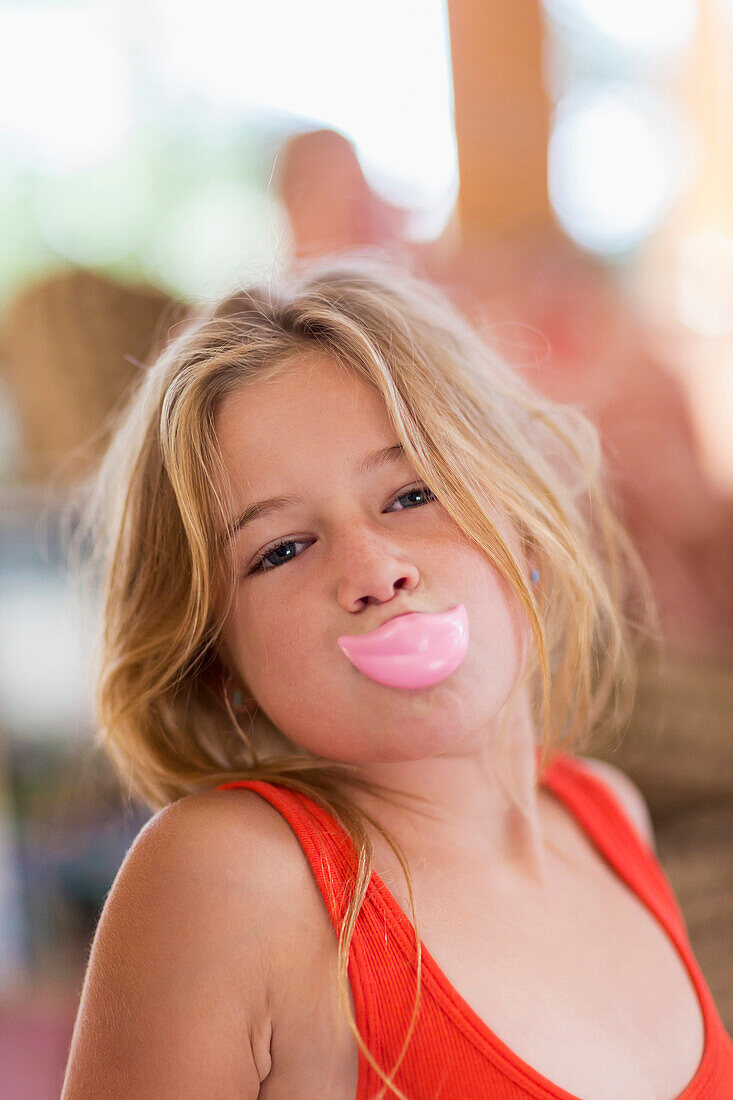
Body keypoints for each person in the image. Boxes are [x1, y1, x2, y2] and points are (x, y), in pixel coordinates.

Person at [60, 252, 733, 1099]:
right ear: (215, 666)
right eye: (282, 550)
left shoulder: (609, 818)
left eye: (412, 495)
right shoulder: (228, 881)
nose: (374, 570)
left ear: (520, 527)